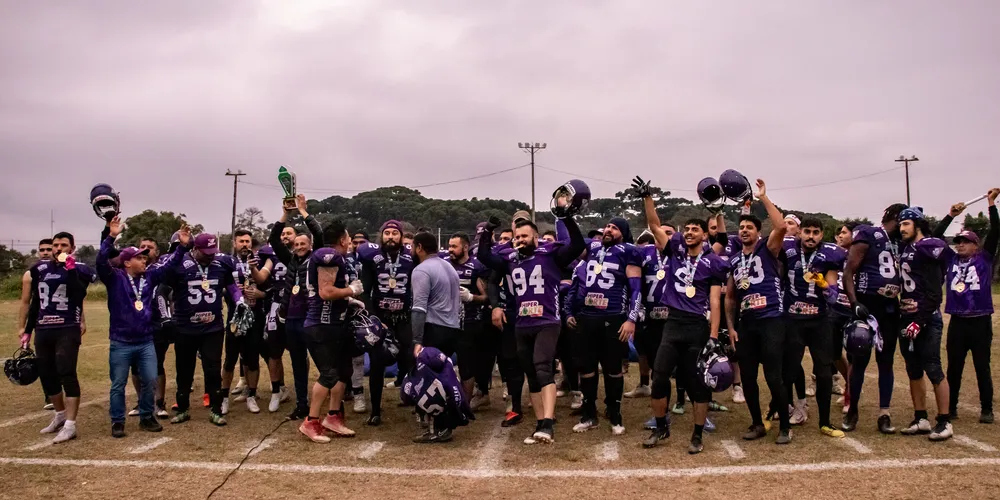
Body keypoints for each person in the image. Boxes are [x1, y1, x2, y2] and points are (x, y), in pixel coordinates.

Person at [634, 177, 728, 454]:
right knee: (659, 378)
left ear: (704, 234)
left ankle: (697, 434)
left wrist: (712, 336)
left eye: (694, 229)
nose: (688, 232)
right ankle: (662, 427)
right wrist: (648, 197)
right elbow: (653, 225)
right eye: (686, 228)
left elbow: (715, 301)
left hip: (697, 326)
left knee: (697, 384)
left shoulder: (711, 261)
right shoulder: (674, 250)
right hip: (673, 324)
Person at [480, 216, 585, 444]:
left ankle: (548, 423)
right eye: (517, 237)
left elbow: (577, 246)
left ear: (535, 237)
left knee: (542, 366)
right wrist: (488, 230)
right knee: (531, 373)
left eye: (524, 236)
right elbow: (484, 256)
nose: (520, 240)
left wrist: (567, 218)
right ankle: (541, 424)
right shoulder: (510, 259)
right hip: (522, 323)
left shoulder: (550, 254)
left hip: (547, 321)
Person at [97, 217, 189, 437]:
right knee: (118, 384)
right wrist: (110, 236)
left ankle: (147, 416)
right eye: (139, 257)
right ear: (127, 262)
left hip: (146, 340)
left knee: (149, 379)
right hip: (121, 342)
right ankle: (117, 421)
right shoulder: (115, 278)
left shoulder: (149, 277)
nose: (144, 260)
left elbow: (171, 264)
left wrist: (182, 246)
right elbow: (101, 260)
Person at [723, 180, 792, 444]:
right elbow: (730, 297)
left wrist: (764, 198)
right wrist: (731, 327)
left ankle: (784, 426)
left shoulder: (768, 249)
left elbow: (782, 226)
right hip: (747, 323)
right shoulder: (734, 259)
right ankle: (756, 423)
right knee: (748, 377)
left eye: (749, 227)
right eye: (741, 227)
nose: (744, 231)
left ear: (758, 232)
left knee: (773, 376)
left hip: (772, 319)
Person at [21, 231, 97, 444]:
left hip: (67, 327)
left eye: (63, 245)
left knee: (66, 372)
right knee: (46, 374)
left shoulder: (80, 269)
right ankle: (60, 414)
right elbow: (36, 302)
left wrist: (70, 269)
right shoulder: (40, 269)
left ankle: (71, 425)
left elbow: (79, 295)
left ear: (72, 248)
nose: (58, 249)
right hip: (43, 328)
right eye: (55, 245)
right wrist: (28, 330)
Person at [162, 233, 244, 426]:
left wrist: (239, 300)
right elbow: (163, 289)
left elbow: (231, 286)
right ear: (195, 249)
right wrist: (167, 317)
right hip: (185, 327)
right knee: (184, 370)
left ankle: (216, 410)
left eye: (212, 252)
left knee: (213, 369)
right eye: (206, 252)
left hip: (212, 328)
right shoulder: (180, 263)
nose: (210, 256)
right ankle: (182, 409)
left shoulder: (221, 264)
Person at [570, 218, 642, 436]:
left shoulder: (628, 251)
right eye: (608, 226)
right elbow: (574, 244)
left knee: (613, 369)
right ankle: (589, 413)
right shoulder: (593, 248)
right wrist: (567, 216)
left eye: (615, 227)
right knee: (587, 369)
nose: (608, 230)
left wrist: (631, 319)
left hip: (613, 316)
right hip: (588, 317)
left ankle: (615, 412)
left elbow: (636, 288)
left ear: (624, 232)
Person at [932, 188, 999, 423]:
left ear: (976, 245)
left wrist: (991, 204)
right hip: (958, 321)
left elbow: (996, 231)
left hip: (980, 320)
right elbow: (936, 237)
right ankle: (951, 407)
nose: (960, 245)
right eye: (958, 242)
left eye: (965, 242)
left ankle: (987, 408)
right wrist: (950, 215)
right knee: (954, 368)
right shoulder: (950, 259)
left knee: (982, 366)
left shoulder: (985, 258)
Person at [842, 203, 908, 434]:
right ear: (896, 218)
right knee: (859, 360)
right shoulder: (869, 233)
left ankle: (884, 413)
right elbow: (849, 270)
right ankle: (853, 410)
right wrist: (854, 302)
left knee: (886, 361)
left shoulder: (902, 242)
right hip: (866, 305)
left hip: (890, 307)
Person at [780, 217, 846, 438]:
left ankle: (825, 422)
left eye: (816, 232)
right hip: (792, 318)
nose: (810, 236)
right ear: (799, 232)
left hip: (819, 320)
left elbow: (834, 297)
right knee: (788, 369)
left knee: (824, 372)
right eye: (807, 231)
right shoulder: (787, 248)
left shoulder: (830, 254)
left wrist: (825, 286)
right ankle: (785, 412)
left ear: (821, 234)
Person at [299, 220, 364, 443]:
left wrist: (348, 301)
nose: (349, 242)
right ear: (342, 239)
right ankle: (311, 420)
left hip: (336, 324)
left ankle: (333, 417)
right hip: (321, 325)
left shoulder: (336, 257)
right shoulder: (329, 255)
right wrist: (351, 291)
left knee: (343, 371)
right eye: (347, 238)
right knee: (329, 374)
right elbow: (326, 292)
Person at [894, 207, 953, 441]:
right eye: (900, 224)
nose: (902, 228)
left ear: (917, 225)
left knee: (933, 367)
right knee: (913, 369)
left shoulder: (926, 248)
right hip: (907, 315)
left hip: (926, 318)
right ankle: (921, 417)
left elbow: (934, 295)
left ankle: (945, 420)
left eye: (906, 224)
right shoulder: (908, 248)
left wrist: (919, 321)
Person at [267, 194, 324, 420]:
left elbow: (319, 233)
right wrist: (285, 214)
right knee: (298, 364)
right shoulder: (290, 259)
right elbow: (273, 238)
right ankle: (302, 404)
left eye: (303, 244)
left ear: (310, 246)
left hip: (312, 318)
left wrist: (302, 211)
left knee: (322, 362)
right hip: (291, 318)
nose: (299, 247)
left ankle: (333, 402)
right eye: (297, 244)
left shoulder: (317, 258)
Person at [410, 232, 471, 442]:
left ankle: (437, 428)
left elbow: (418, 308)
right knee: (443, 378)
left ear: (419, 247)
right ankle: (445, 424)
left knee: (429, 380)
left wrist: (417, 340)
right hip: (452, 328)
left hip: (433, 328)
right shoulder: (449, 267)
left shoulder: (422, 270)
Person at [356, 220, 416, 426]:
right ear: (381, 236)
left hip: (404, 317)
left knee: (411, 359)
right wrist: (373, 317)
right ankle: (375, 410)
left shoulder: (412, 257)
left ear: (401, 236)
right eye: (387, 233)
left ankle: (415, 402)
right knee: (376, 364)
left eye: (395, 233)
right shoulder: (371, 258)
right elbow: (365, 290)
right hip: (381, 318)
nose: (391, 237)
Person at [221, 230, 267, 415]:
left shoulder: (259, 262)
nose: (245, 244)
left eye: (247, 241)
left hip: (255, 315)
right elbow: (220, 286)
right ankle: (224, 397)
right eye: (241, 241)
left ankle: (251, 395)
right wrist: (230, 291)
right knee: (230, 358)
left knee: (252, 358)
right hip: (235, 315)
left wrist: (260, 293)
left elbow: (267, 286)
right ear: (235, 243)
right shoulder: (226, 263)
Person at [445, 232, 491, 406]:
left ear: (465, 247)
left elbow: (486, 297)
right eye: (449, 246)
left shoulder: (476, 266)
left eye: (454, 246)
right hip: (447, 321)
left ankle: (465, 404)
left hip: (469, 322)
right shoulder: (445, 264)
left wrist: (471, 297)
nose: (450, 250)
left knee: (466, 365)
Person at [18, 239, 54, 410]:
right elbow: (25, 302)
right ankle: (49, 395)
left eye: (49, 249)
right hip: (40, 321)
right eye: (42, 249)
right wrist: (22, 327)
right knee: (43, 360)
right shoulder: (30, 273)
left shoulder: (64, 271)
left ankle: (59, 392)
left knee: (61, 360)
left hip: (62, 321)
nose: (45, 252)